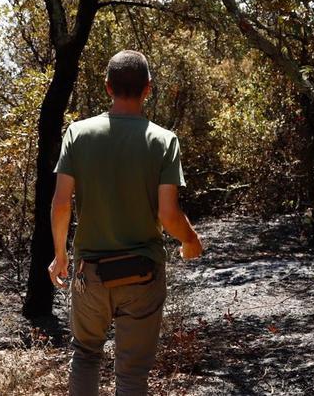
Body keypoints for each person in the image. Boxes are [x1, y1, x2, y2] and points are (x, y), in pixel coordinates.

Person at [48, 49, 205, 396]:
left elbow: (61, 204)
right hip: (143, 275)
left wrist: (61, 255)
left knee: (85, 355)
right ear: (148, 89)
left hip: (90, 274)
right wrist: (191, 241)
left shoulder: (77, 134)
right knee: (132, 373)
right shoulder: (164, 141)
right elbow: (168, 215)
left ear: (108, 87)